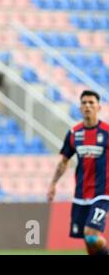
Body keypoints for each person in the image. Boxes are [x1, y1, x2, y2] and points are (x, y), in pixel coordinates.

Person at [47, 90, 108, 255]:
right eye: (84, 103)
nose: (87, 106)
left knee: (92, 236)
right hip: (81, 194)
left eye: (91, 103)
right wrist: (53, 184)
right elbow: (64, 161)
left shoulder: (107, 132)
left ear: (99, 107)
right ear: (80, 108)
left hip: (103, 193)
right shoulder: (74, 133)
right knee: (88, 243)